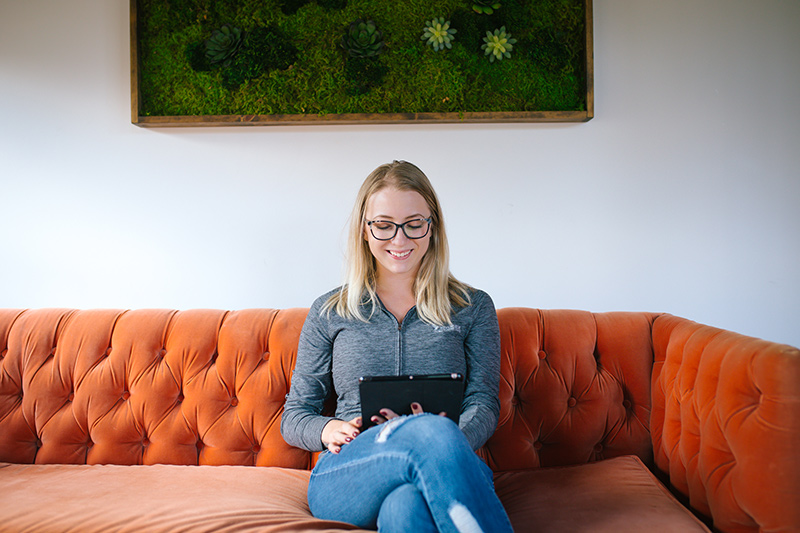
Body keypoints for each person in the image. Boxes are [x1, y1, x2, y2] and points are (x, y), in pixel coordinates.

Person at [281, 160, 513, 533]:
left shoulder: (473, 306)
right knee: (430, 432)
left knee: (404, 509)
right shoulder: (329, 311)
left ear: (432, 227)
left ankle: (433, 444)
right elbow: (295, 416)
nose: (400, 239)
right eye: (384, 225)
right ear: (364, 231)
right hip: (351, 472)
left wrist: (445, 442)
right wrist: (329, 430)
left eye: (414, 224)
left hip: (446, 462)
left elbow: (483, 404)